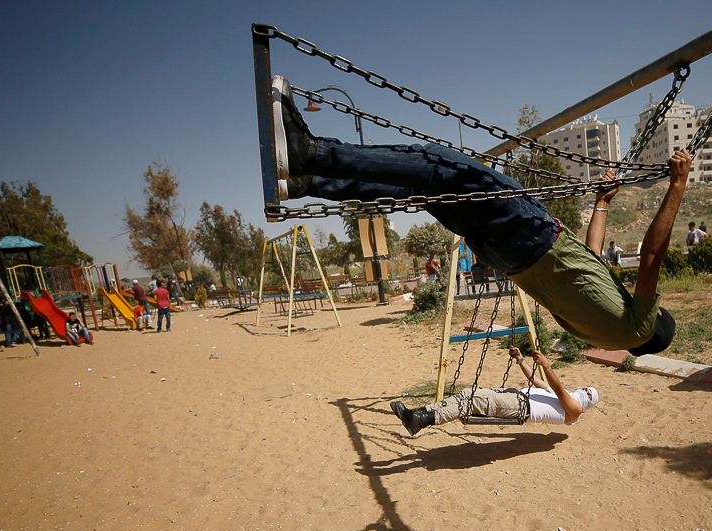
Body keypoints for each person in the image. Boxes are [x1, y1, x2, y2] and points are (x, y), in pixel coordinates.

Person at [272, 75, 688, 355]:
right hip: (508, 258)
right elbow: (592, 259)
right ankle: (307, 184)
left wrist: (677, 187)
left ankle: (312, 154)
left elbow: (652, 255)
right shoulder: (602, 332)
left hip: (533, 235)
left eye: (655, 307)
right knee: (425, 188)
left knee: (439, 166)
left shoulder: (639, 323)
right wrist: (603, 202)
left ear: (655, 321)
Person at [390, 347, 599, 435]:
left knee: (470, 401)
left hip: (520, 407)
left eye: (590, 396)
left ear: (588, 404)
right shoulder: (560, 397)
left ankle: (419, 419)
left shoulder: (575, 411)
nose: (586, 393)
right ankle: (418, 415)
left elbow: (558, 388)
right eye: (588, 390)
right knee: (466, 395)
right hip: (515, 396)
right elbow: (534, 379)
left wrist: (547, 365)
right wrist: (520, 359)